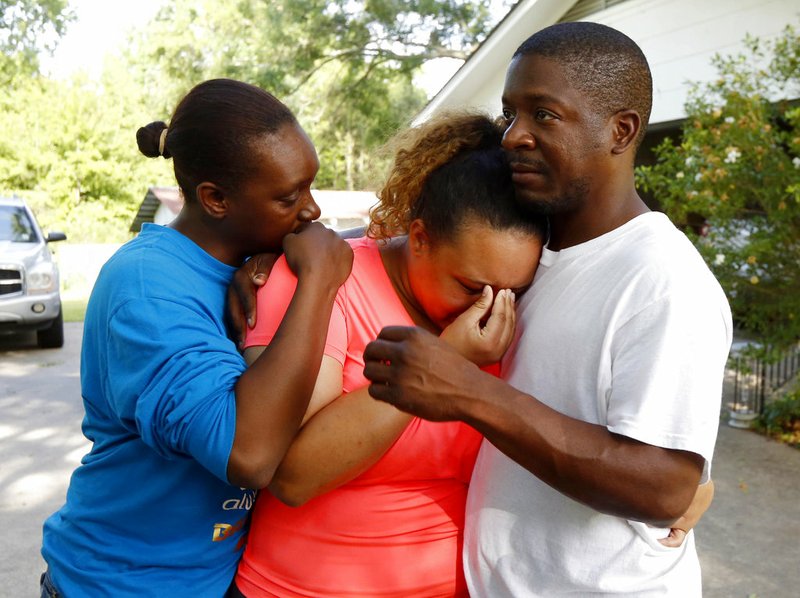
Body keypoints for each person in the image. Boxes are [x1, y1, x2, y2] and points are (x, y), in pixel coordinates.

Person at [362, 22, 732, 596]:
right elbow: (399, 238)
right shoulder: (531, 245)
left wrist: (467, 391)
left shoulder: (663, 280)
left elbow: (665, 490)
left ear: (621, 130)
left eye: (545, 115)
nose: (512, 135)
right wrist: (286, 252)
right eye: (511, 113)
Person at [39, 79, 353, 597]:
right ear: (214, 198)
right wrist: (318, 282)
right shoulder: (146, 288)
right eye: (289, 196)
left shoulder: (254, 262)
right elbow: (247, 455)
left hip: (213, 579)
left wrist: (272, 263)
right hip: (116, 583)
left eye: (311, 186)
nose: (312, 210)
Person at [231, 113, 548, 597]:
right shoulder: (326, 279)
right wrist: (445, 362)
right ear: (419, 237)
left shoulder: (508, 313)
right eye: (469, 286)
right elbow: (291, 475)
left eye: (511, 291)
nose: (488, 309)